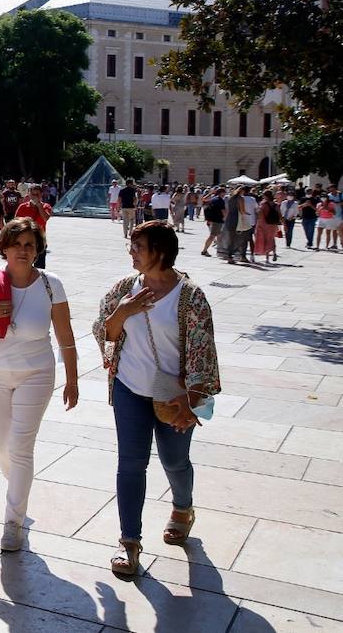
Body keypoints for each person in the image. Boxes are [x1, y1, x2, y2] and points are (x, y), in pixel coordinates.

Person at [92, 220, 221, 577]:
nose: (131, 253)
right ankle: (129, 542)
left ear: (159, 252)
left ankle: (183, 508)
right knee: (131, 463)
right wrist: (123, 311)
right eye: (132, 246)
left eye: (138, 247)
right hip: (129, 387)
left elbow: (203, 350)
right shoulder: (124, 288)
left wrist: (191, 398)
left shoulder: (190, 295)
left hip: (174, 396)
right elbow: (104, 331)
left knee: (174, 461)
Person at [0, 217, 79, 552]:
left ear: (38, 249)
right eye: (17, 244)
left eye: (30, 245)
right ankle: (18, 485)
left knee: (21, 447)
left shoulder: (50, 284)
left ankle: (13, 522)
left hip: (36, 374)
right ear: (5, 247)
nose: (23, 251)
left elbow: (66, 336)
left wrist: (72, 378)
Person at [15, 185, 53, 269]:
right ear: (29, 195)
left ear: (41, 195)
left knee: (40, 267)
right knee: (24, 265)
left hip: (39, 240)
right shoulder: (23, 207)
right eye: (33, 194)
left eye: (37, 194)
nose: (35, 197)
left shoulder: (46, 206)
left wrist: (39, 205)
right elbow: (16, 222)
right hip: (25, 240)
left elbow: (45, 218)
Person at [201, 187, 226, 257]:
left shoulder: (213, 198)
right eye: (224, 192)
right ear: (221, 193)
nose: (225, 194)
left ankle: (220, 250)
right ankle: (204, 250)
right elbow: (223, 211)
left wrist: (211, 193)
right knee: (212, 236)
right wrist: (226, 218)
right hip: (217, 220)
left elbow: (203, 199)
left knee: (219, 235)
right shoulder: (220, 200)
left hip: (213, 220)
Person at [255, 191, 279, 262]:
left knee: (266, 240)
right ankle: (274, 253)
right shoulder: (276, 204)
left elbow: (260, 215)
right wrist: (284, 224)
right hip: (273, 224)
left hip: (265, 224)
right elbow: (280, 214)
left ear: (266, 196)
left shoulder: (263, 204)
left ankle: (267, 257)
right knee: (272, 239)